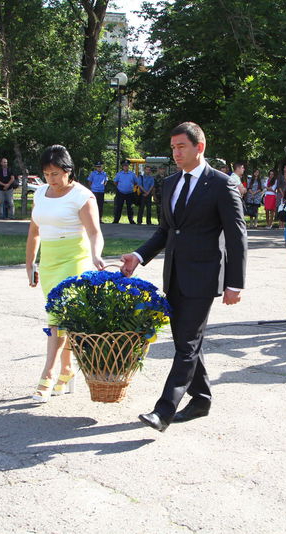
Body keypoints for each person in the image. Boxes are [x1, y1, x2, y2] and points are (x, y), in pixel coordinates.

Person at [120, 122, 247, 432]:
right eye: (173, 147)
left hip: (204, 277)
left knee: (186, 344)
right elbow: (166, 230)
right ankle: (201, 398)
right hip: (174, 274)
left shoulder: (221, 184)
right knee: (186, 340)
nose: (175, 152)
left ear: (199, 147)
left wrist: (235, 283)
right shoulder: (171, 182)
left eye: (181, 147)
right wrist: (138, 256)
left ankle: (163, 411)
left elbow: (236, 236)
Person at [26, 145, 105, 402]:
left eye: (57, 174)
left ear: (68, 171)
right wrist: (30, 264)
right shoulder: (40, 194)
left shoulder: (81, 196)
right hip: (49, 261)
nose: (52, 179)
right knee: (63, 319)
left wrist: (96, 255)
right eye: (47, 174)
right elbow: (34, 232)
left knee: (56, 317)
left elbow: (94, 232)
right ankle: (67, 369)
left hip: (75, 259)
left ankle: (47, 374)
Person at [112, 159, 137, 224]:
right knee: (119, 206)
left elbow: (136, 182)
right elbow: (115, 182)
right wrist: (120, 187)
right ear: (122, 167)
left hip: (129, 193)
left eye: (127, 166)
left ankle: (131, 220)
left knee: (130, 207)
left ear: (129, 166)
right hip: (120, 192)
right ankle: (116, 220)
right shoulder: (119, 174)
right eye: (124, 166)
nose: (126, 167)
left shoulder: (132, 174)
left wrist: (130, 187)